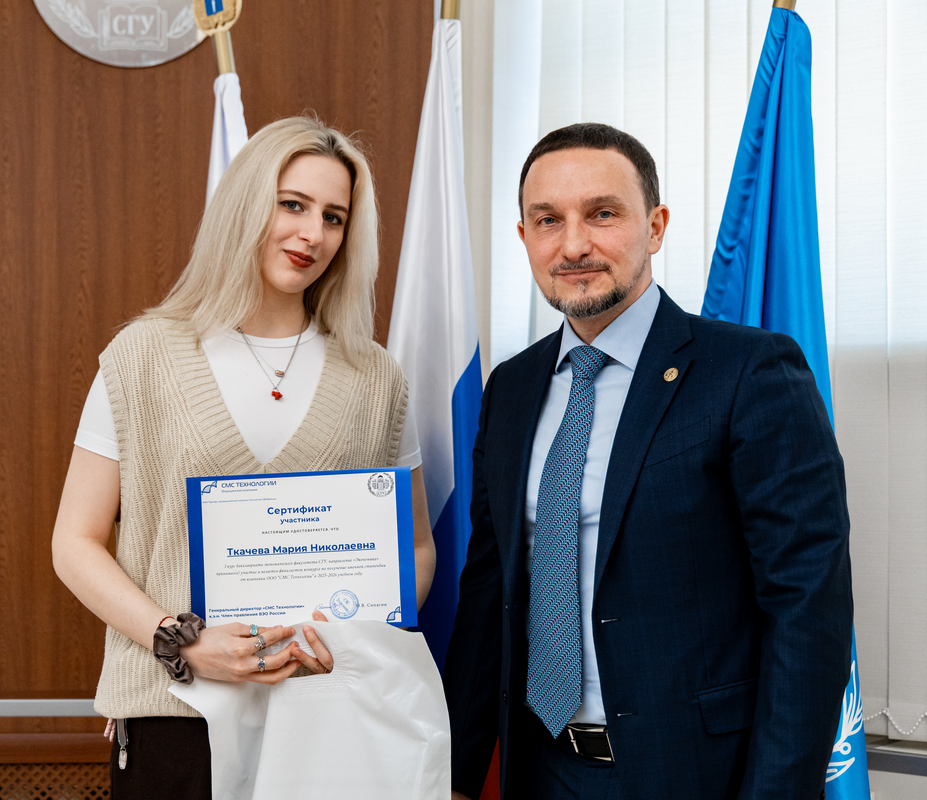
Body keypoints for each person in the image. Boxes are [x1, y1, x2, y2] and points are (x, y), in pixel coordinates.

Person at [444, 122, 852, 799]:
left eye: (602, 214)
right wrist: (458, 776)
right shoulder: (510, 389)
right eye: (548, 220)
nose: (574, 245)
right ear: (524, 237)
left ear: (655, 227)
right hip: (540, 769)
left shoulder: (749, 372)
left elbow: (807, 609)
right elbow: (489, 590)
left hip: (697, 774)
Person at [52, 116, 436, 798]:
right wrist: (180, 640)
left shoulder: (376, 377)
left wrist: (353, 633)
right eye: (292, 205)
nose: (312, 234)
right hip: (176, 712)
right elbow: (74, 543)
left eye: (334, 217)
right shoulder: (141, 357)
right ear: (246, 205)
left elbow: (417, 547)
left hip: (328, 716)